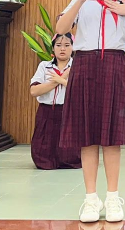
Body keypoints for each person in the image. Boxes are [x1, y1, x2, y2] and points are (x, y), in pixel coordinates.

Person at [54, 0, 125, 223]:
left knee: (111, 136)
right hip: (84, 66)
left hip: (114, 67)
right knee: (87, 136)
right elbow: (61, 28)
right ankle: (90, 199)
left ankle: (113, 197)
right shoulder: (83, 0)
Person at [29, 32, 81, 169]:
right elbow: (34, 91)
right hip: (46, 112)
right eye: (58, 45)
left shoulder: (78, 67)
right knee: (43, 150)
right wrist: (58, 80)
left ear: (73, 47)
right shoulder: (44, 66)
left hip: (69, 112)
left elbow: (81, 92)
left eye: (67, 45)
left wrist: (62, 81)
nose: (62, 49)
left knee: (70, 153)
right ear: (53, 48)